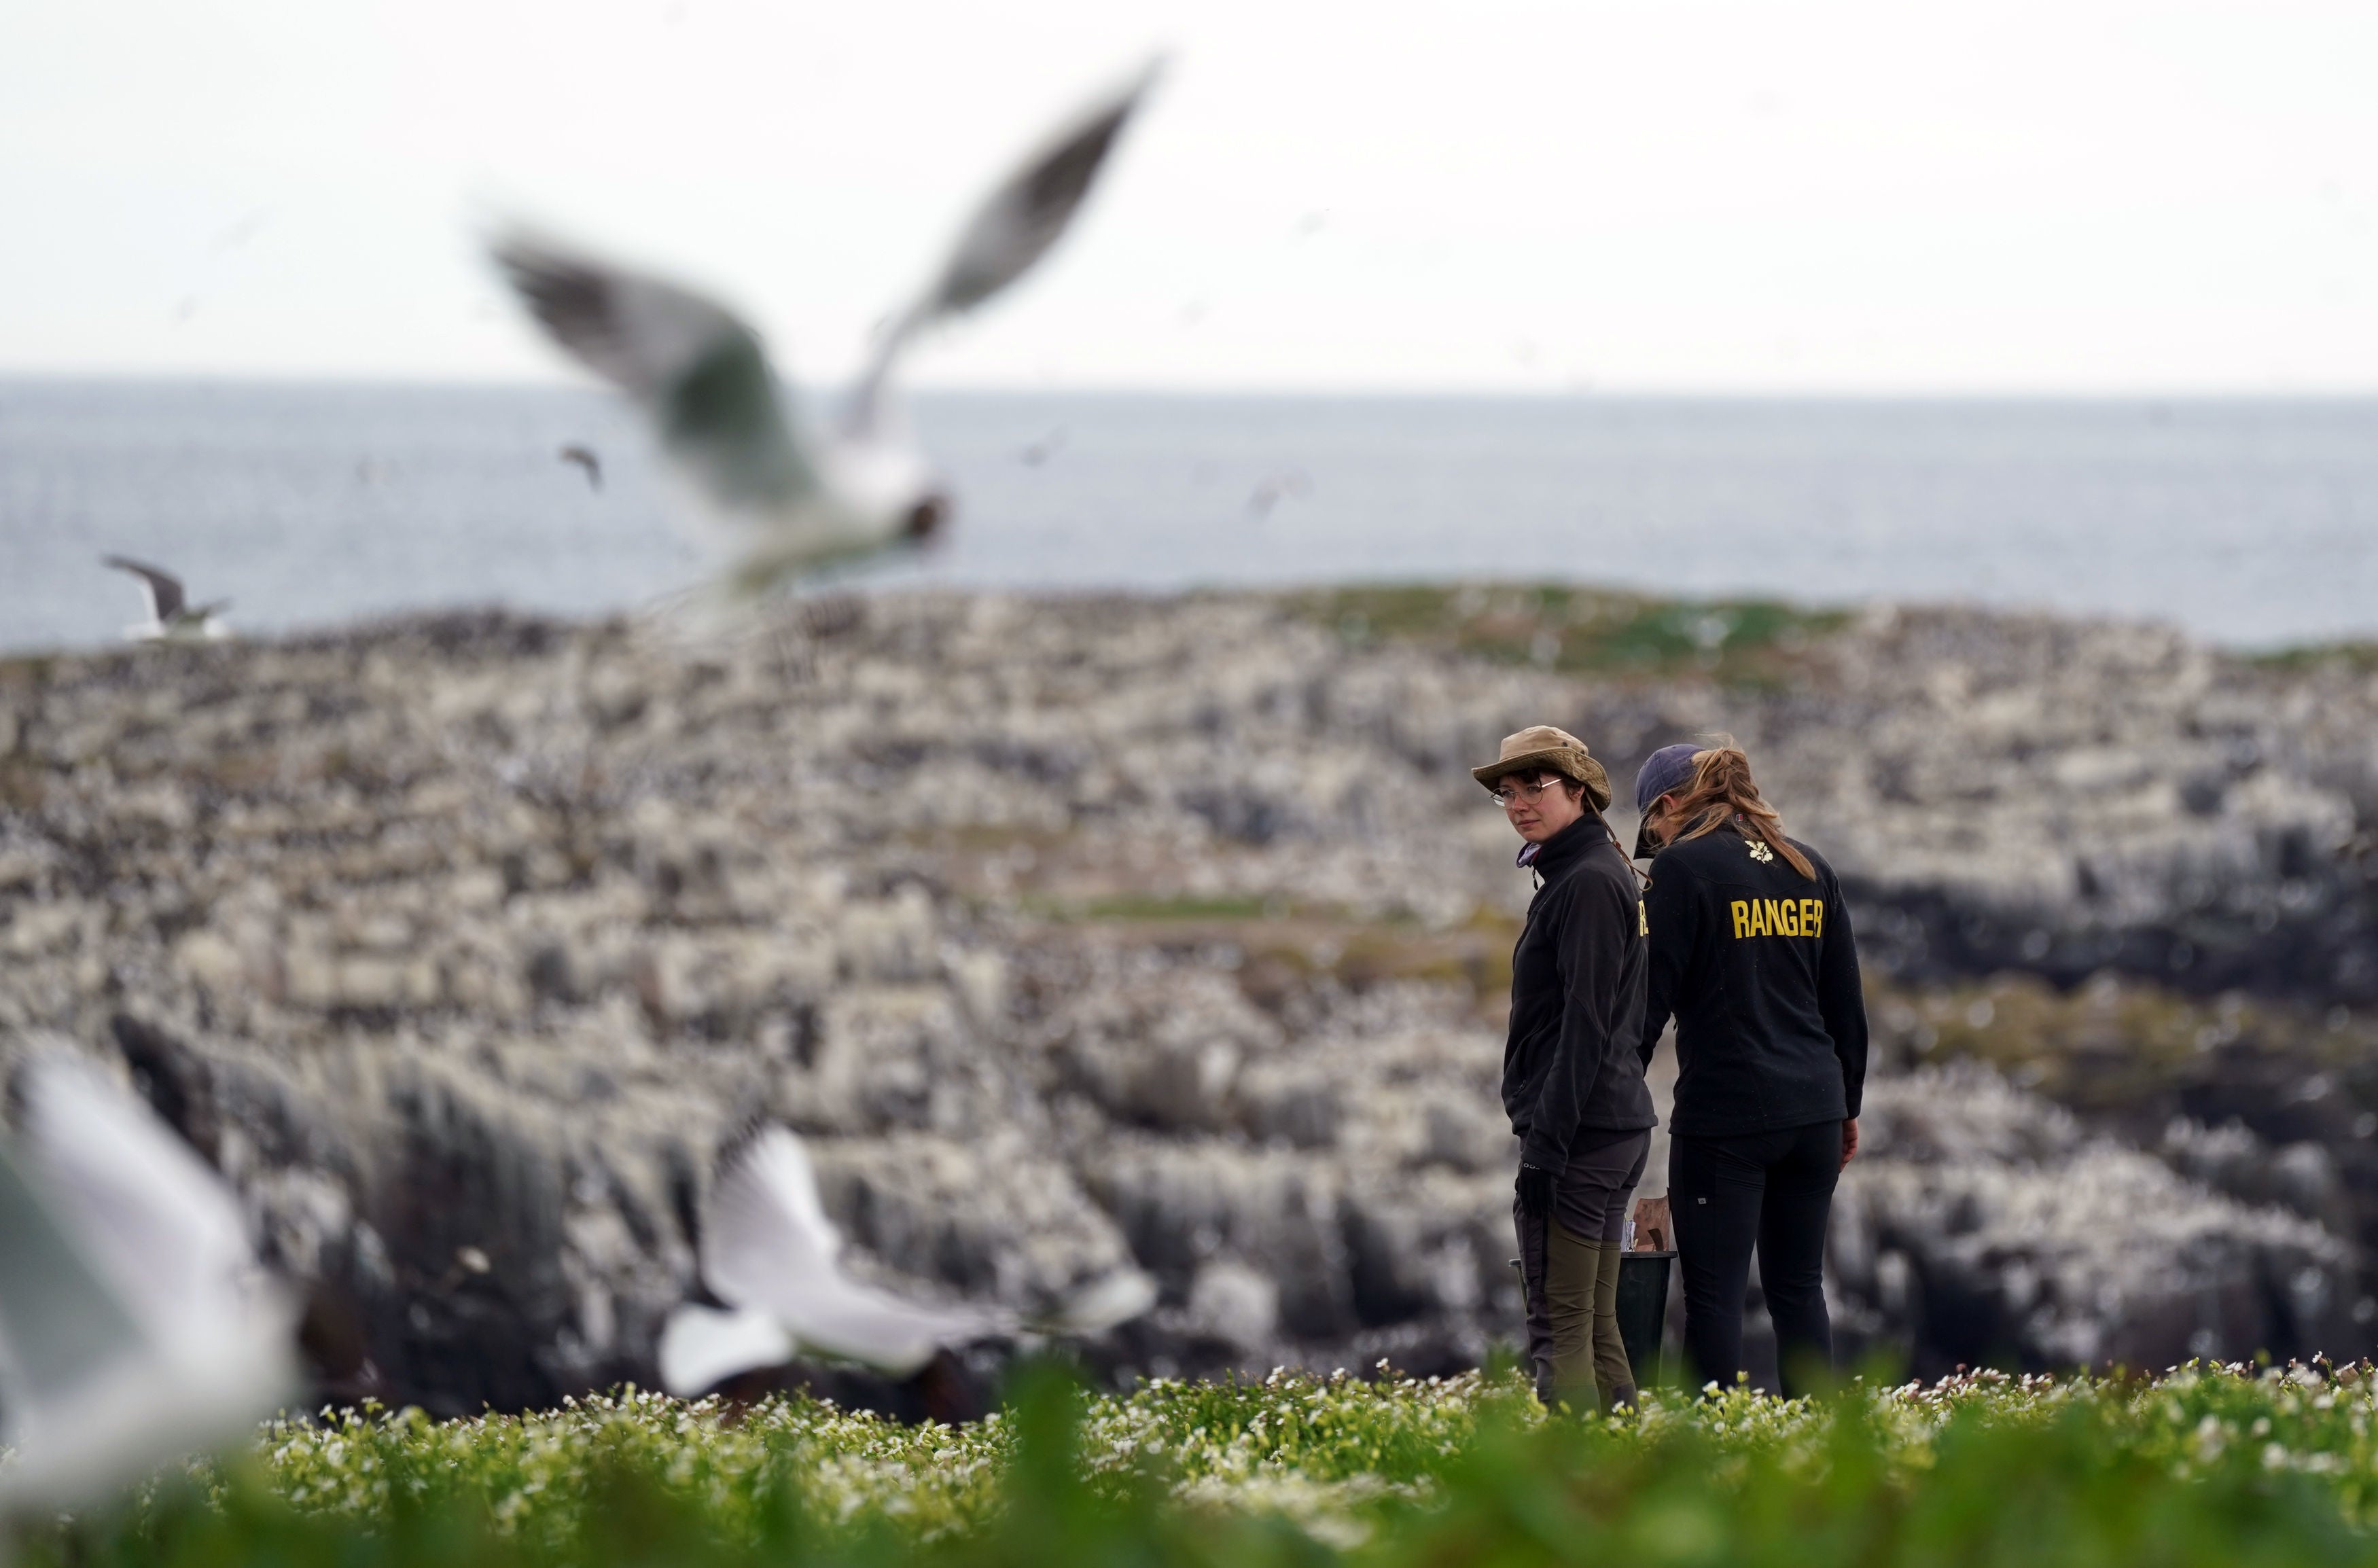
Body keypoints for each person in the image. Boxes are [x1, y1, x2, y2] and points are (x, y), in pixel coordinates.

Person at [1631, 742, 1867, 1398]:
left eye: (1653, 827)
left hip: (1727, 1116)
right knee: (1799, 1287)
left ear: (1670, 806)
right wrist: (1846, 1108)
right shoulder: (1810, 867)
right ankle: (1815, 1442)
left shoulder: (1680, 870)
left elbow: (1645, 1008)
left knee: (1713, 1296)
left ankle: (1713, 1451)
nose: (1656, 840)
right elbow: (1846, 1007)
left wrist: (1613, 1098)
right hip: (1815, 1112)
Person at [1473, 724, 1656, 1414]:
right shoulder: (1589, 872)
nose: (1518, 803)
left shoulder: (1582, 882)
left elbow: (1585, 1024)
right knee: (1593, 1319)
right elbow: (1620, 1020)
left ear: (1577, 792)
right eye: (1507, 792)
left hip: (1580, 1134)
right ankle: (1623, 1468)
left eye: (1534, 786)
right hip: (1612, 1123)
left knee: (1557, 1324)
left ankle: (1577, 1486)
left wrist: (1546, 1146)